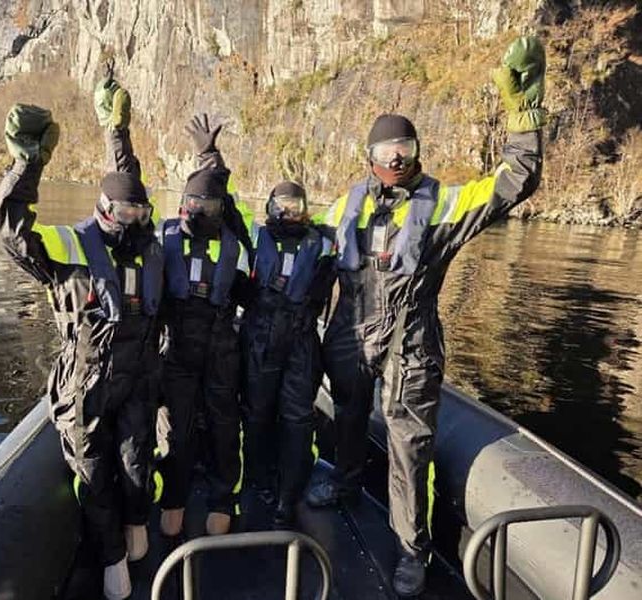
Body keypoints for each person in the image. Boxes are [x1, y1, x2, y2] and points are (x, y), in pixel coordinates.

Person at [305, 36, 547, 596]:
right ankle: (342, 482)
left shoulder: (445, 205)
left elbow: (516, 181)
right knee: (345, 418)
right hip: (349, 338)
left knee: (409, 450)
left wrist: (524, 114)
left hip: (410, 347)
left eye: (405, 147)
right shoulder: (346, 205)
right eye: (386, 151)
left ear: (419, 150)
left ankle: (412, 549)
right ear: (368, 157)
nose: (396, 159)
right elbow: (298, 244)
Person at [0, 96, 163, 600]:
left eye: (139, 209)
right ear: (104, 211)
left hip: (138, 379)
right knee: (94, 471)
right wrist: (26, 165)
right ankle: (111, 555)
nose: (131, 217)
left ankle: (136, 525)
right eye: (123, 209)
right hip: (85, 383)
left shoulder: (151, 250)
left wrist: (116, 131)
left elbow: (127, 175)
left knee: (135, 463)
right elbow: (5, 230)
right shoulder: (69, 249)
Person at [156, 115, 253, 537]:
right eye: (193, 205)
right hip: (176, 350)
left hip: (221, 350)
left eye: (209, 207)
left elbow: (221, 194)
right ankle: (173, 497)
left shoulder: (235, 243)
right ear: (182, 205)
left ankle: (221, 498)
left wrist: (211, 157)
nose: (200, 211)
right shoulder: (163, 238)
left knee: (224, 425)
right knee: (175, 429)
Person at [241, 181, 335, 528]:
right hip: (259, 338)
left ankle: (288, 491)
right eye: (280, 205)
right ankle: (258, 479)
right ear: (268, 206)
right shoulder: (254, 235)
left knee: (297, 417)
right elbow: (230, 205)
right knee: (256, 412)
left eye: (295, 206)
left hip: (301, 340)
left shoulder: (325, 240)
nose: (287, 212)